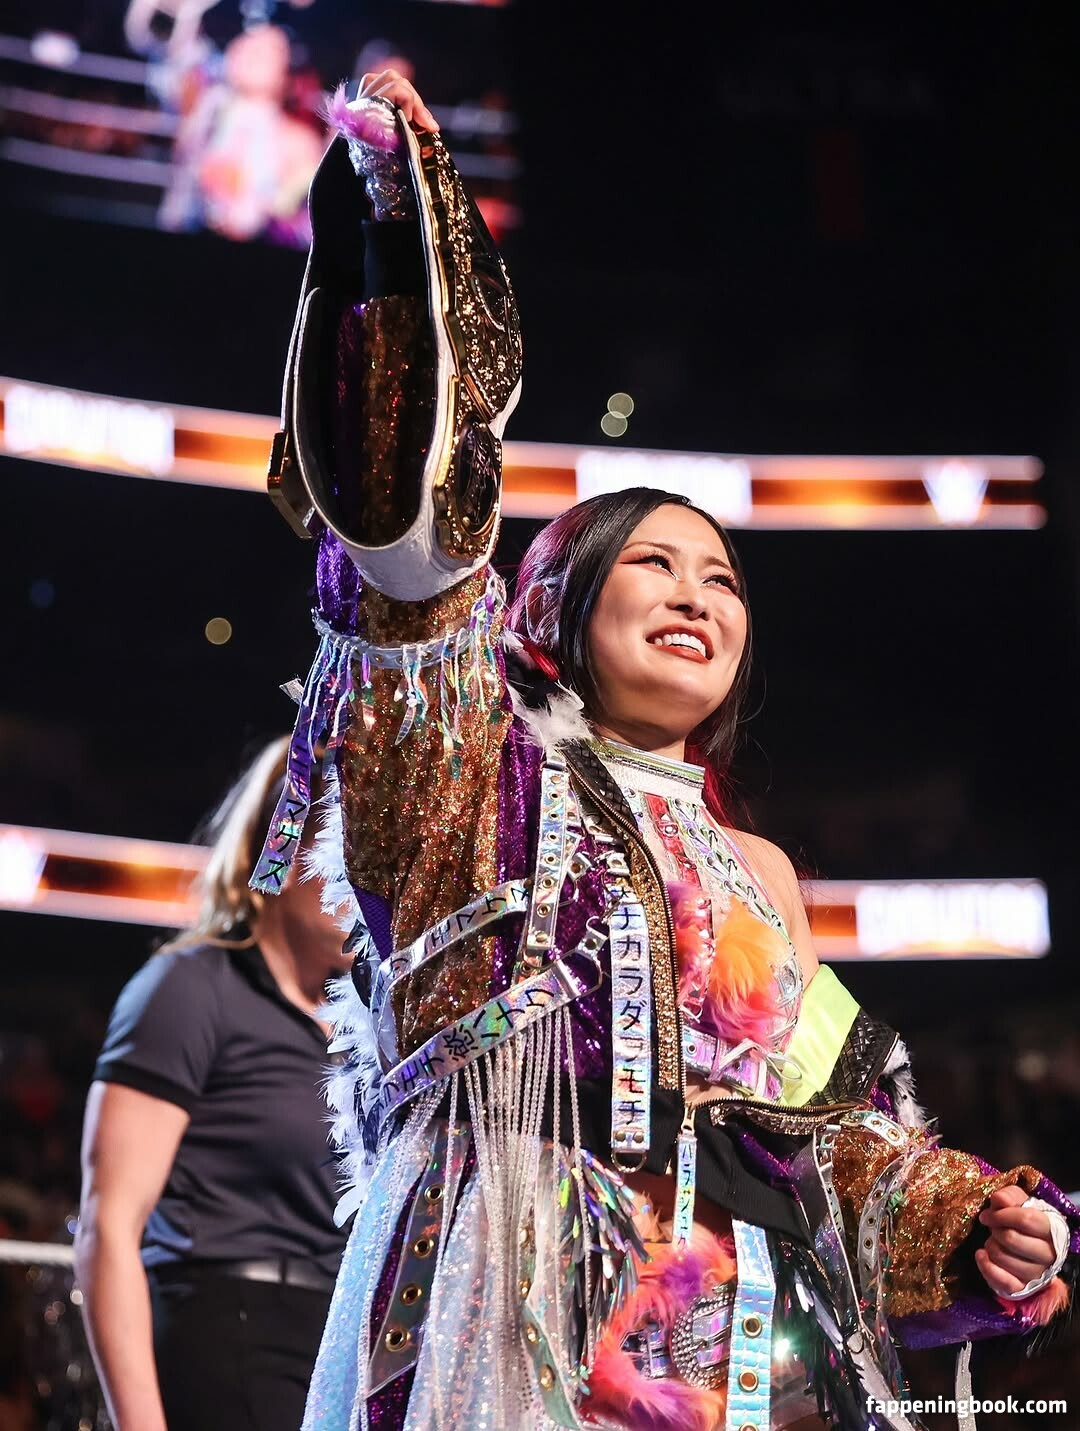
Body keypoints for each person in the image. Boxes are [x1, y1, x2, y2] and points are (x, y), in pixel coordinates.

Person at [254, 71, 1077, 1431]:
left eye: (724, 578)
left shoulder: (761, 869)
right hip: (510, 1301)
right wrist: (403, 252)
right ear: (553, 612)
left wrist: (981, 1224)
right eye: (654, 564)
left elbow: (830, 1138)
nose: (698, 595)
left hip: (746, 1335)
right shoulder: (470, 777)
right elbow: (409, 575)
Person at [75, 737, 350, 1431]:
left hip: (335, 1341)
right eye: (348, 851)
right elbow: (110, 1223)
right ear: (281, 848)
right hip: (231, 1328)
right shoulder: (191, 987)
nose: (370, 883)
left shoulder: (366, 1026)